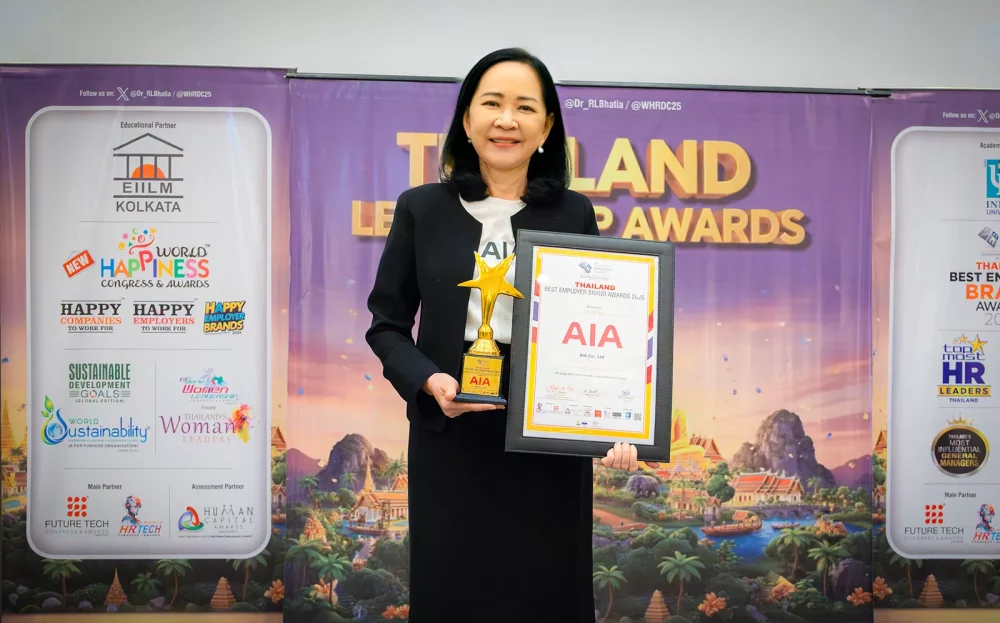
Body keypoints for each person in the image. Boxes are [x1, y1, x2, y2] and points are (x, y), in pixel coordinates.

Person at [365, 48, 651, 622]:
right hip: (451, 441)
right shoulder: (421, 209)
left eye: (525, 107)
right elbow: (387, 326)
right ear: (467, 119)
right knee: (454, 595)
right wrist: (429, 382)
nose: (506, 120)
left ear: (546, 128)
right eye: (492, 103)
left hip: (547, 446)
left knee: (546, 595)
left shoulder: (573, 213)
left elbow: (596, 325)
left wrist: (615, 424)